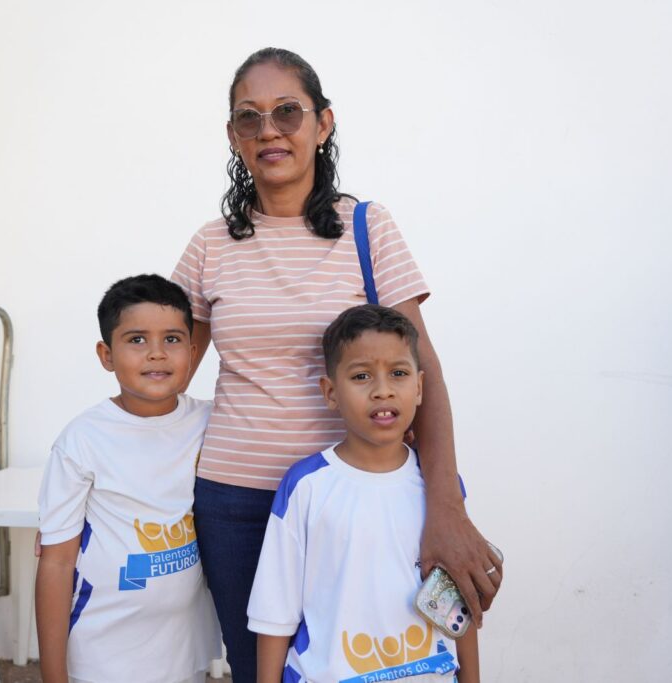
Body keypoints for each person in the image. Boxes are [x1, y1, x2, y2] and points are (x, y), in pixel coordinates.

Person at [172, 47, 503, 683]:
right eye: (249, 117)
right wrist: (107, 456)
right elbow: (166, 373)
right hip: (236, 504)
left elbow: (424, 372)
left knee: (365, 664)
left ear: (323, 123)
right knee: (258, 669)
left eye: (287, 112)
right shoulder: (210, 244)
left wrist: (445, 505)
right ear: (233, 136)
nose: (269, 130)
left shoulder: (367, 229)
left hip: (357, 501)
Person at [247, 304, 479, 683]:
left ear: (419, 387)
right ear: (330, 392)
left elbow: (460, 604)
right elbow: (274, 613)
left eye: (398, 373)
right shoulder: (306, 486)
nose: (382, 390)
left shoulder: (441, 487)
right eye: (361, 376)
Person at [34, 274, 220, 683]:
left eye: (172, 339)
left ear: (192, 352)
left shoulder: (211, 422)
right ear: (106, 355)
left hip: (183, 654)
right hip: (102, 659)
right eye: (137, 339)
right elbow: (57, 562)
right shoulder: (82, 441)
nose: (156, 353)